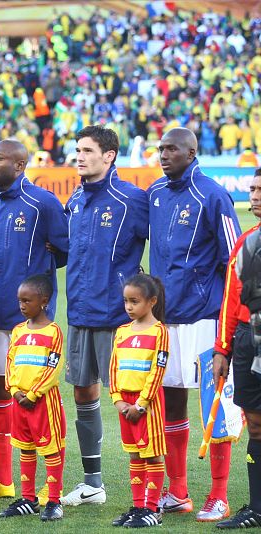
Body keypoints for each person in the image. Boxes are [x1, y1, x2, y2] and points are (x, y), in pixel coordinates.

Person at [148, 127, 241, 514]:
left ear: (191, 151)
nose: (164, 154)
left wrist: (229, 328)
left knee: (214, 407)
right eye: (160, 149)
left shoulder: (213, 195)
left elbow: (234, 262)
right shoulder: (154, 193)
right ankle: (178, 491)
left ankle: (219, 495)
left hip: (204, 319)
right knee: (171, 401)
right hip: (166, 320)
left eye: (171, 149)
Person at [62, 126, 148, 507]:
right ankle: (92, 483)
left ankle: (151, 488)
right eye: (77, 150)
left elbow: (157, 246)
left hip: (119, 317)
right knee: (83, 392)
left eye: (87, 150)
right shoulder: (77, 199)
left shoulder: (132, 200)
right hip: (80, 312)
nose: (79, 156)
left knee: (131, 399)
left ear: (109, 155)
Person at [0, 139, 68, 503]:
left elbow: (63, 250)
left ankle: (49, 482)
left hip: (30, 322)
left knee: (37, 393)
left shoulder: (42, 203)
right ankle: (3, 479)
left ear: (19, 165)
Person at [212, 168, 261, 528]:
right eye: (253, 189)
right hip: (247, 340)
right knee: (256, 425)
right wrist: (222, 350)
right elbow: (231, 300)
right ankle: (257, 509)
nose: (255, 195)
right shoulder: (246, 242)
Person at [0, 275, 66, 522]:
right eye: (19, 301)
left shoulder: (54, 332)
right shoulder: (17, 331)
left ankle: (54, 501)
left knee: (50, 450)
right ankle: (28, 499)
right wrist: (15, 390)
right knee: (25, 449)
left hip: (43, 403)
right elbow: (10, 363)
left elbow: (53, 367)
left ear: (44, 301)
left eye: (27, 300)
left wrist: (33, 393)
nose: (22, 305)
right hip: (19, 401)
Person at [109, 274, 168, 529]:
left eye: (135, 301)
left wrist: (141, 404)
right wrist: (118, 400)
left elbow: (158, 370)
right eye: (126, 301)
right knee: (134, 455)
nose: (129, 307)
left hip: (148, 405)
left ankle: (152, 508)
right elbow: (113, 368)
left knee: (152, 456)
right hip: (126, 404)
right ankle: (138, 506)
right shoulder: (122, 332)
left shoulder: (160, 332)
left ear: (152, 301)